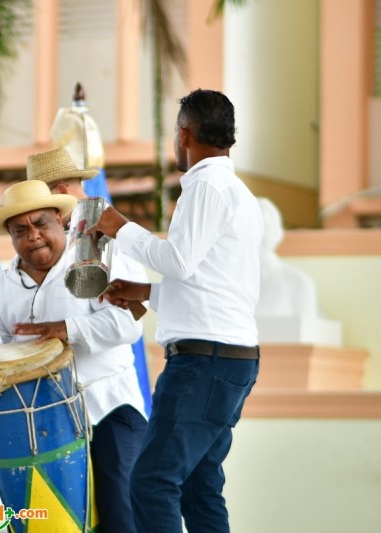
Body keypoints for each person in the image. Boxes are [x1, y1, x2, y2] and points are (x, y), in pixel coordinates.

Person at [87, 89, 263, 533]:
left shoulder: (205, 185)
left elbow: (179, 261)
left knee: (151, 482)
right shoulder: (239, 193)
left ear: (183, 134)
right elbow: (215, 287)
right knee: (199, 487)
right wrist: (147, 291)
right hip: (230, 359)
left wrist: (121, 228)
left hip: (204, 361)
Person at [0, 178, 147, 533]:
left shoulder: (96, 259)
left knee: (121, 517)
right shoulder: (0, 286)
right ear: (11, 236)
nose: (33, 235)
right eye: (20, 230)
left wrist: (66, 329)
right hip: (42, 425)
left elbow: (128, 325)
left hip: (108, 410)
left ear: (60, 221)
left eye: (40, 224)